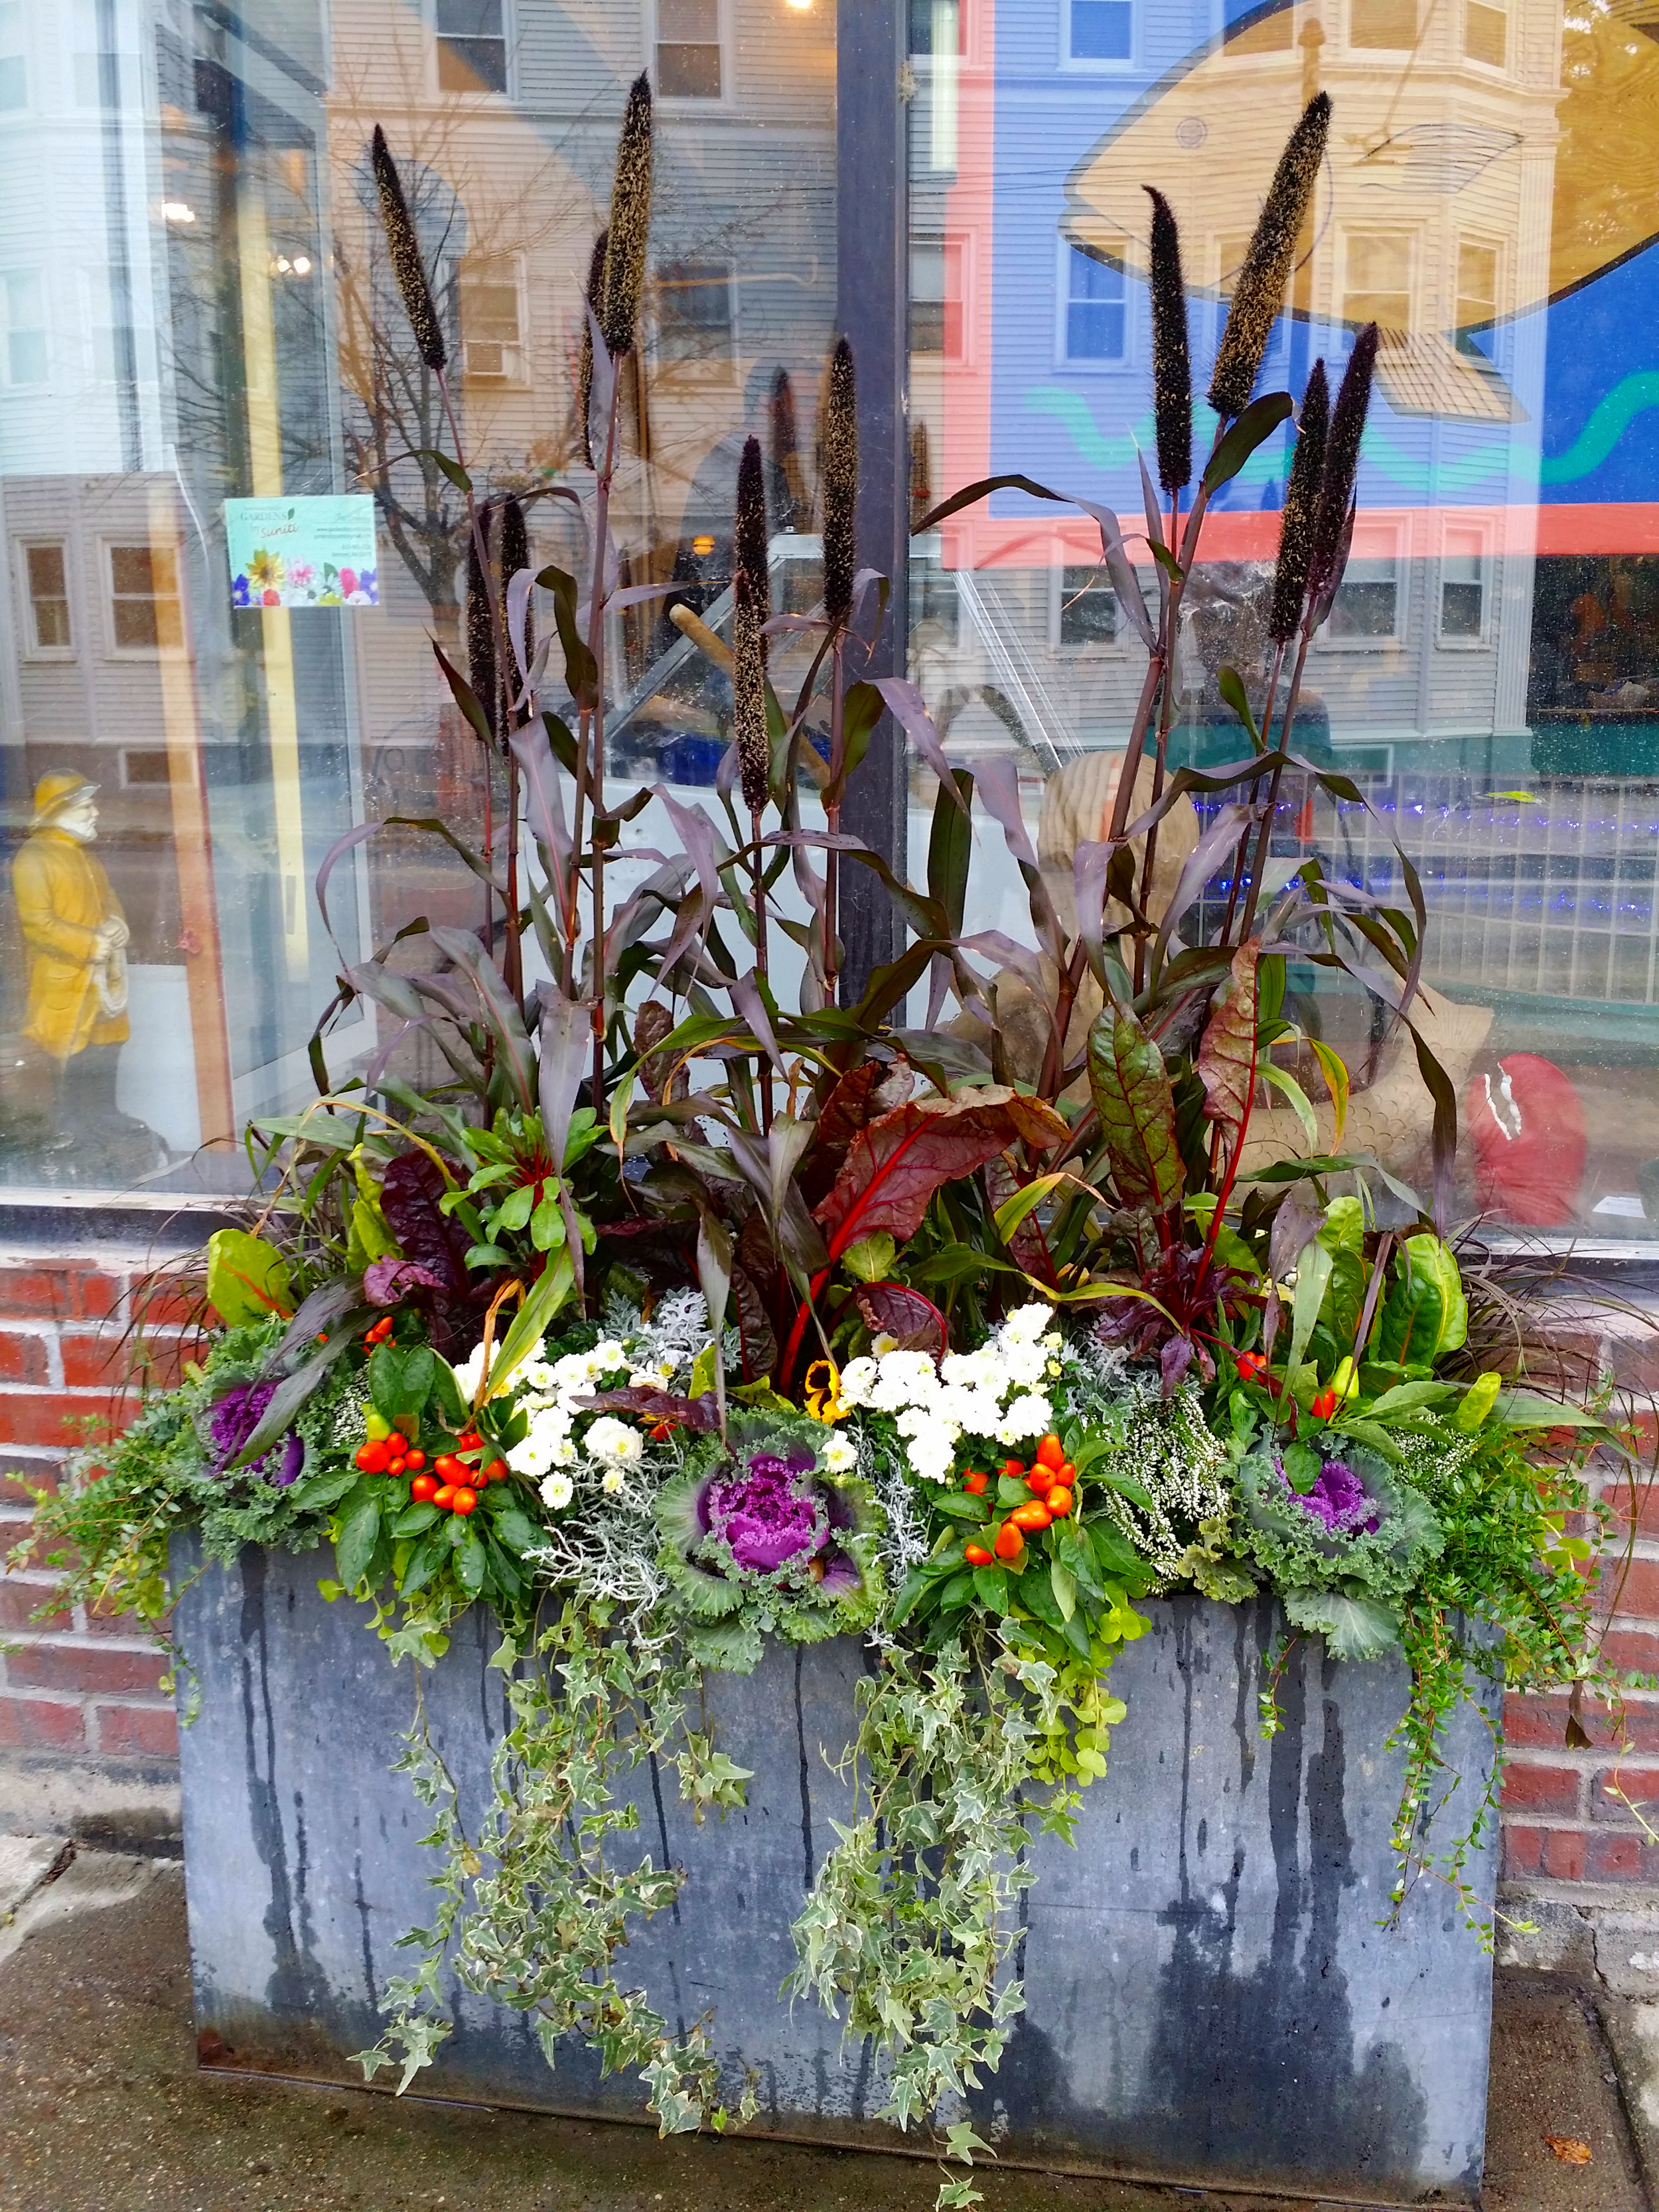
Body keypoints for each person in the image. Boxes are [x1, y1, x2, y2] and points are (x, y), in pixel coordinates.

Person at [11, 773, 137, 1149]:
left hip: (102, 977)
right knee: (66, 1048)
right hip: (63, 978)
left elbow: (110, 903)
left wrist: (117, 926)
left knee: (107, 1041)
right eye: (86, 807)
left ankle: (103, 1113)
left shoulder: (87, 858)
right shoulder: (33, 859)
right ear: (58, 812)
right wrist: (88, 944)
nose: (96, 813)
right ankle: (66, 1121)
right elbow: (38, 924)